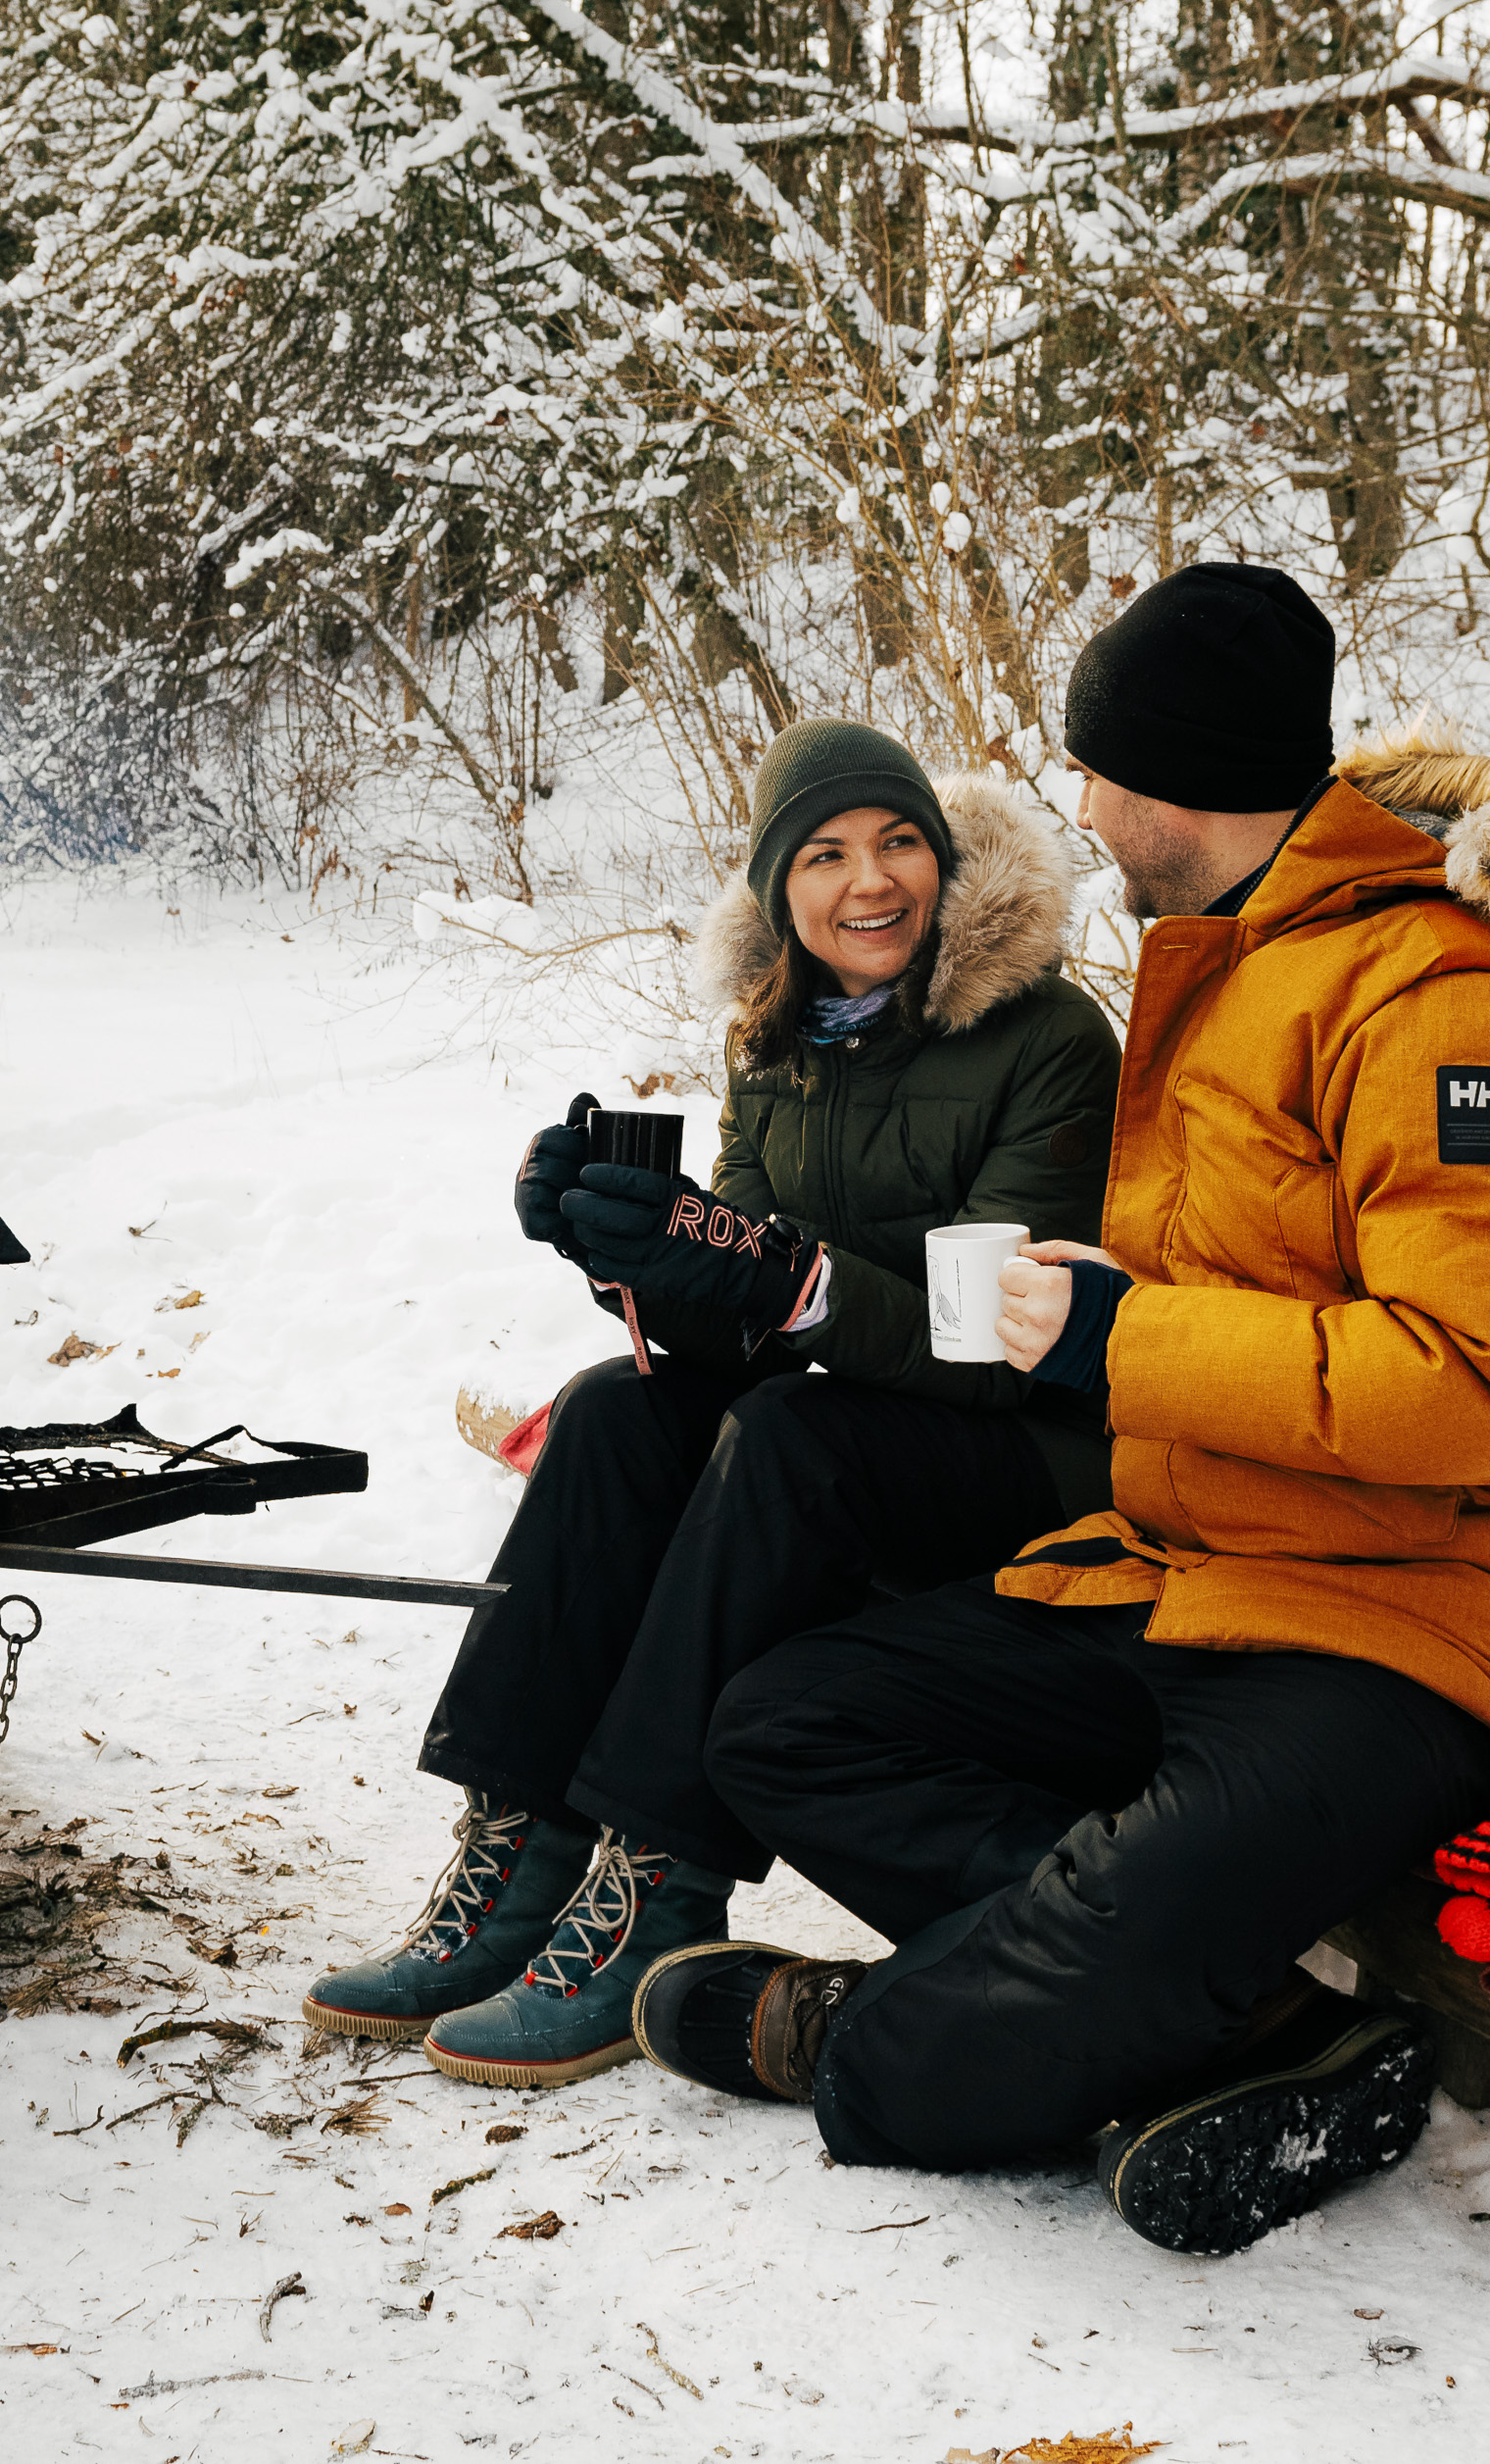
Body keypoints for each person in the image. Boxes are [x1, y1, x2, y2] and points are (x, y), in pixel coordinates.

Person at [623, 562, 1490, 2255]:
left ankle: (885, 2037)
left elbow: (1487, 1389)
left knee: (947, 2071)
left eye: (1090, 769)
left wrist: (1123, 1339)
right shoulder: (1244, 964)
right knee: (786, 1722)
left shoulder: (1457, 1003)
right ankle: (1245, 2016)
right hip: (1197, 1571)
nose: (1074, 807)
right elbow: (1249, 1287)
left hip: (1412, 1627)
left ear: (1167, 777)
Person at [303, 718, 1121, 2087]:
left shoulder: (1045, 1037)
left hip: (1023, 1460)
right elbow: (726, 1315)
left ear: (942, 856)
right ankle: (516, 1866)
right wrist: (618, 1246)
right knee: (617, 1410)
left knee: (785, 1437)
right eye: (827, 854)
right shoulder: (775, 1038)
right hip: (857, 1430)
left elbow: (990, 1337)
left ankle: (654, 1896)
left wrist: (780, 1274)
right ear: (773, 889)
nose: (872, 883)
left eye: (899, 841)